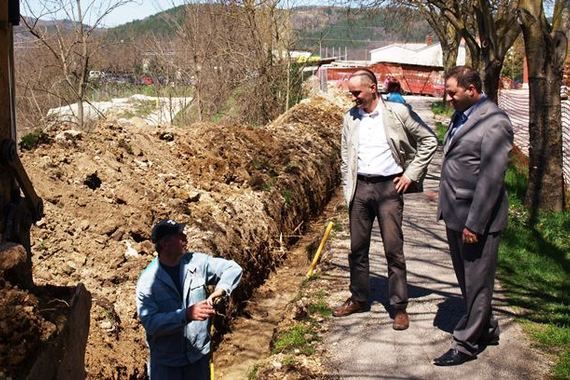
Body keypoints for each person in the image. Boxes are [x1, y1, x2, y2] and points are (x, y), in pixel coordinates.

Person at [335, 68, 437, 331]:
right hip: (360, 189)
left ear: (372, 88)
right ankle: (358, 298)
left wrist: (411, 175)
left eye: (357, 92)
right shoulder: (350, 118)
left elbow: (429, 140)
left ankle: (399, 307)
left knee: (393, 249)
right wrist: (349, 189)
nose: (353, 97)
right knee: (358, 249)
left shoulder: (397, 112)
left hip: (388, 189)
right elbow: (346, 156)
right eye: (351, 93)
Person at [433, 66, 513, 366]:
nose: (448, 97)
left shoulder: (494, 122)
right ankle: (488, 328)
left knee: (477, 282)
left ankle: (465, 344)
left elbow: (491, 178)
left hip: (476, 219)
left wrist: (475, 224)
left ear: (472, 89)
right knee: (469, 282)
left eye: (452, 92)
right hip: (455, 213)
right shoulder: (461, 115)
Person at [136, 219, 242, 379]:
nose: (185, 238)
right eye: (179, 235)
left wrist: (221, 290)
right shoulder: (148, 281)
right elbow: (151, 323)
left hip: (198, 358)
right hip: (167, 365)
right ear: (165, 244)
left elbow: (233, 268)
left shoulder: (196, 262)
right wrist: (185, 315)